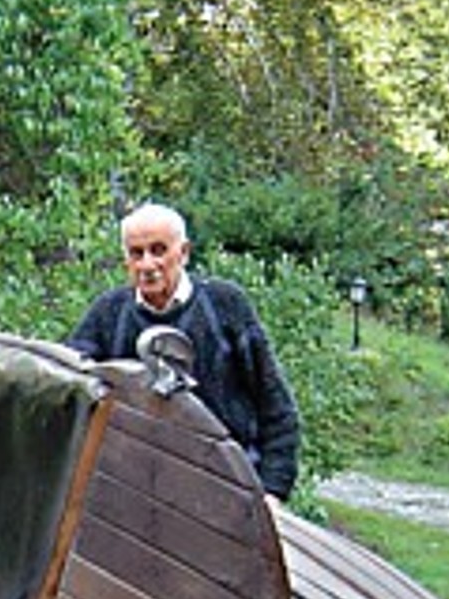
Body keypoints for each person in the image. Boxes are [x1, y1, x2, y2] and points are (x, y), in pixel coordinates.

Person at [67, 201, 301, 500]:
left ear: (185, 252)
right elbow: (72, 385)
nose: (147, 264)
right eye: (136, 253)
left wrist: (273, 491)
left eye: (159, 250)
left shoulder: (226, 305)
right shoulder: (108, 313)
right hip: (137, 493)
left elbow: (276, 405)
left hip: (230, 490)